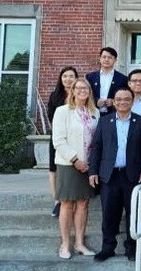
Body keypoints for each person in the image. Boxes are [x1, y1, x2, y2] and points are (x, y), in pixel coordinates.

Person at [88, 87, 141, 262]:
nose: (123, 102)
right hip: (109, 175)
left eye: (126, 99)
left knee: (133, 213)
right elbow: (97, 147)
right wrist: (93, 171)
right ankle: (108, 247)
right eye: (119, 99)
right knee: (109, 214)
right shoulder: (105, 121)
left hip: (133, 176)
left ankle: (132, 247)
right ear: (114, 102)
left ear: (132, 101)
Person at [52, 77, 98, 259]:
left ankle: (79, 243)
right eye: (78, 88)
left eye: (85, 88)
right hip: (68, 164)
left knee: (83, 204)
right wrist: (75, 160)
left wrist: (90, 163)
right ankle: (65, 244)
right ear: (72, 91)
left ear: (89, 91)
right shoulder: (63, 111)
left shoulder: (95, 112)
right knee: (67, 203)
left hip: (88, 166)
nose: (81, 91)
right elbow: (58, 140)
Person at [46, 66, 78, 218]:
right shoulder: (55, 96)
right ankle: (57, 201)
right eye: (65, 76)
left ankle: (72, 197)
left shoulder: (80, 94)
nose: (68, 79)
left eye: (71, 76)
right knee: (54, 169)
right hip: (58, 137)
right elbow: (51, 117)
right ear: (61, 78)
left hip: (75, 137)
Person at [86, 47, 128, 116]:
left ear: (115, 60)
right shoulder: (90, 77)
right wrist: (96, 101)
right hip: (93, 113)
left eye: (110, 57)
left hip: (114, 114)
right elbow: (86, 94)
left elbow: (125, 96)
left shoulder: (123, 79)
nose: (106, 59)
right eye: (104, 57)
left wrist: (114, 102)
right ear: (100, 59)